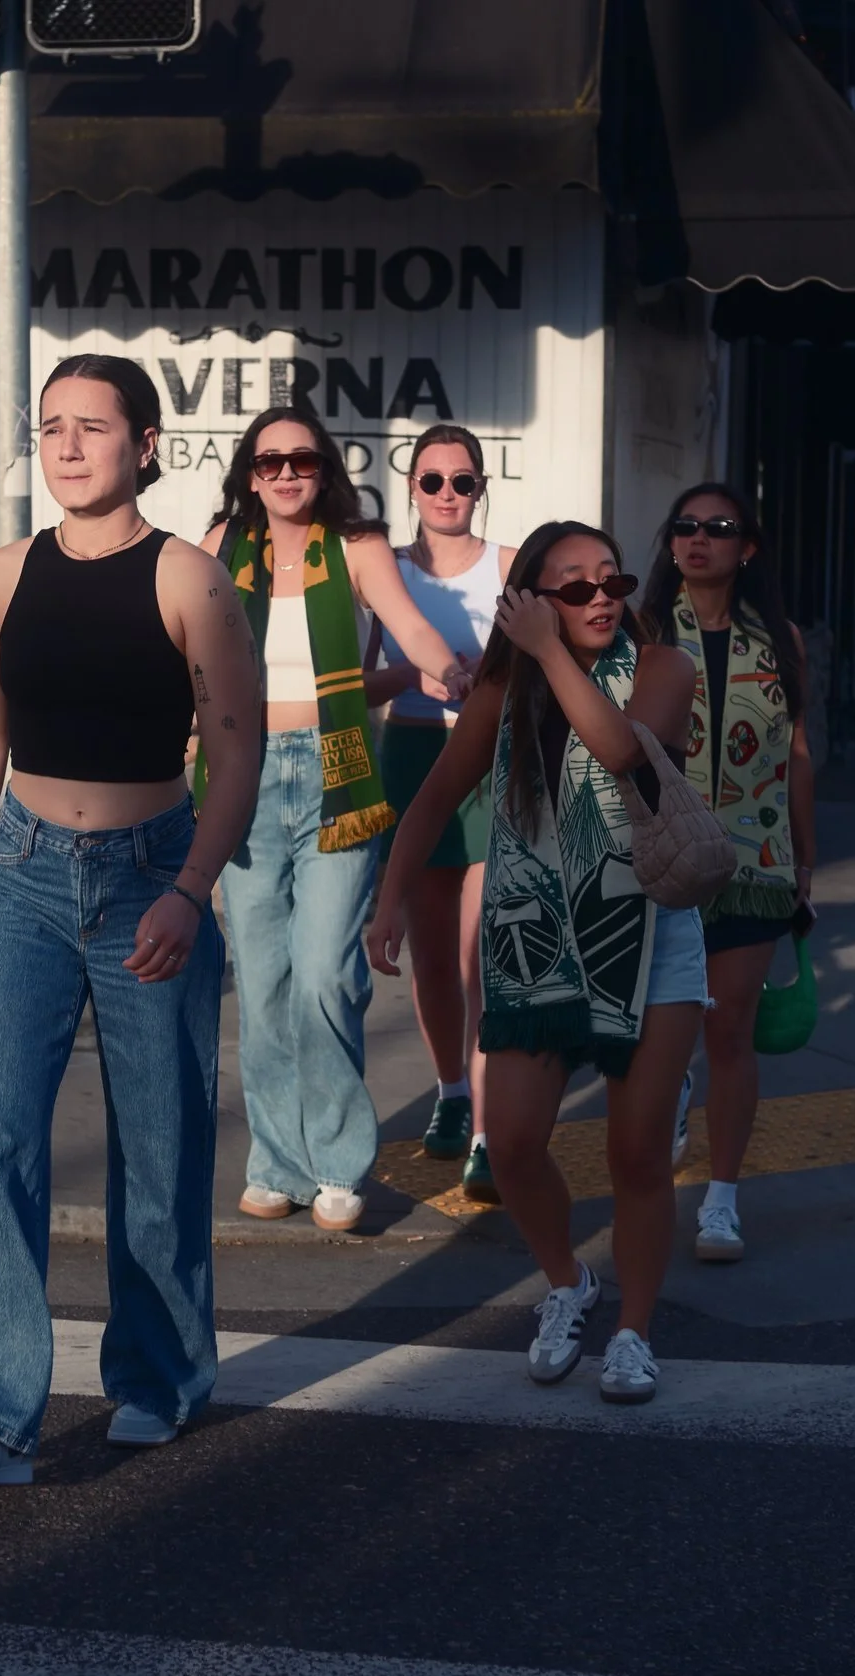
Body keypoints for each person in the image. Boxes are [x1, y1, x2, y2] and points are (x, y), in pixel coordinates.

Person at [0, 354, 260, 1487]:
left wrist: (189, 888)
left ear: (145, 445)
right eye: (52, 426)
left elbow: (236, 745)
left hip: (149, 873)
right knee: (0, 1142)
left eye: (94, 427)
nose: (68, 446)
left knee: (158, 1146)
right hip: (16, 874)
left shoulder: (191, 581)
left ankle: (157, 1378)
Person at [367, 521, 704, 1405]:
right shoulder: (507, 690)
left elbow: (622, 748)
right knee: (511, 1142)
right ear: (531, 601)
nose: (602, 599)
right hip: (535, 936)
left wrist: (548, 654)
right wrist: (388, 901)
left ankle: (632, 1329)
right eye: (575, 587)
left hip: (650, 938)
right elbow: (436, 795)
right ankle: (567, 1284)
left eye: (611, 582)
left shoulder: (666, 668)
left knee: (637, 1155)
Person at [199, 409, 470, 1233]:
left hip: (337, 774)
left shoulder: (355, 548)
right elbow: (178, 641)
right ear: (250, 473)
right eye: (270, 460)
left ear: (324, 470)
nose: (286, 473)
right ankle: (278, 1161)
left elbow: (413, 630)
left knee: (323, 974)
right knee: (265, 980)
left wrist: (453, 666)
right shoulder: (220, 544)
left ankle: (340, 1164)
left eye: (303, 460)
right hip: (239, 775)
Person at [637, 485, 816, 1263]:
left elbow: (797, 754)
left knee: (730, 1028)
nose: (699, 538)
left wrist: (807, 857)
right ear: (672, 544)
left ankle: (722, 1199)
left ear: (748, 548)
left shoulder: (780, 641)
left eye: (719, 528)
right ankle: (673, 1092)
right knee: (662, 1028)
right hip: (658, 856)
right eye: (686, 527)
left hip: (754, 860)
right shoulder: (641, 633)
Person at [372, 425, 513, 1200]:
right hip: (413, 759)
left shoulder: (510, 566)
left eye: (463, 481)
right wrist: (409, 677)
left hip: (491, 766)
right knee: (430, 957)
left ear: (481, 487)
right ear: (413, 488)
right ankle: (451, 1091)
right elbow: (353, 687)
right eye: (433, 481)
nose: (449, 495)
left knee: (479, 958)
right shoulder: (385, 572)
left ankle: (489, 1132)